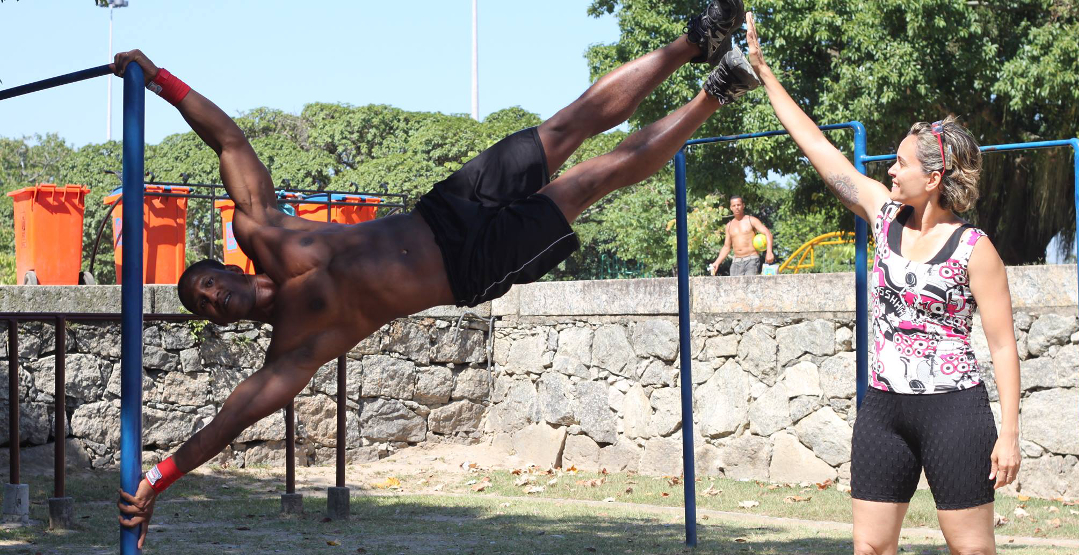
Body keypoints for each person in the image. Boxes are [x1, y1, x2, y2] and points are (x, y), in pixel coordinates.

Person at [114, 1, 760, 547]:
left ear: (226, 266)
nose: (214, 297)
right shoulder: (294, 347)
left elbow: (228, 140)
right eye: (206, 306)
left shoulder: (263, 228)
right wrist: (156, 480)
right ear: (220, 322)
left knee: (564, 126)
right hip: (470, 265)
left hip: (446, 207)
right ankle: (719, 88)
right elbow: (229, 422)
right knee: (595, 176)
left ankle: (695, 41)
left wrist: (159, 78)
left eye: (208, 284)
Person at [744, 12, 1020, 555]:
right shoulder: (882, 215)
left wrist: (1008, 433)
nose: (890, 171)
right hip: (883, 410)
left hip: (955, 411)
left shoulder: (975, 249)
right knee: (869, 549)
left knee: (972, 550)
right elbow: (820, 151)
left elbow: (1004, 347)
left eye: (900, 164)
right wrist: (764, 72)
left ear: (934, 177)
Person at [708, 195, 774, 275]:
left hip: (751, 260)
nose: (736, 207)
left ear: (743, 205)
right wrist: (717, 262)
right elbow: (726, 247)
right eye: (734, 205)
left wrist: (769, 252)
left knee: (749, 285)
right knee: (734, 286)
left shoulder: (751, 220)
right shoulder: (729, 225)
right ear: (731, 207)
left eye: (738, 205)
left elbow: (768, 233)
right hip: (736, 262)